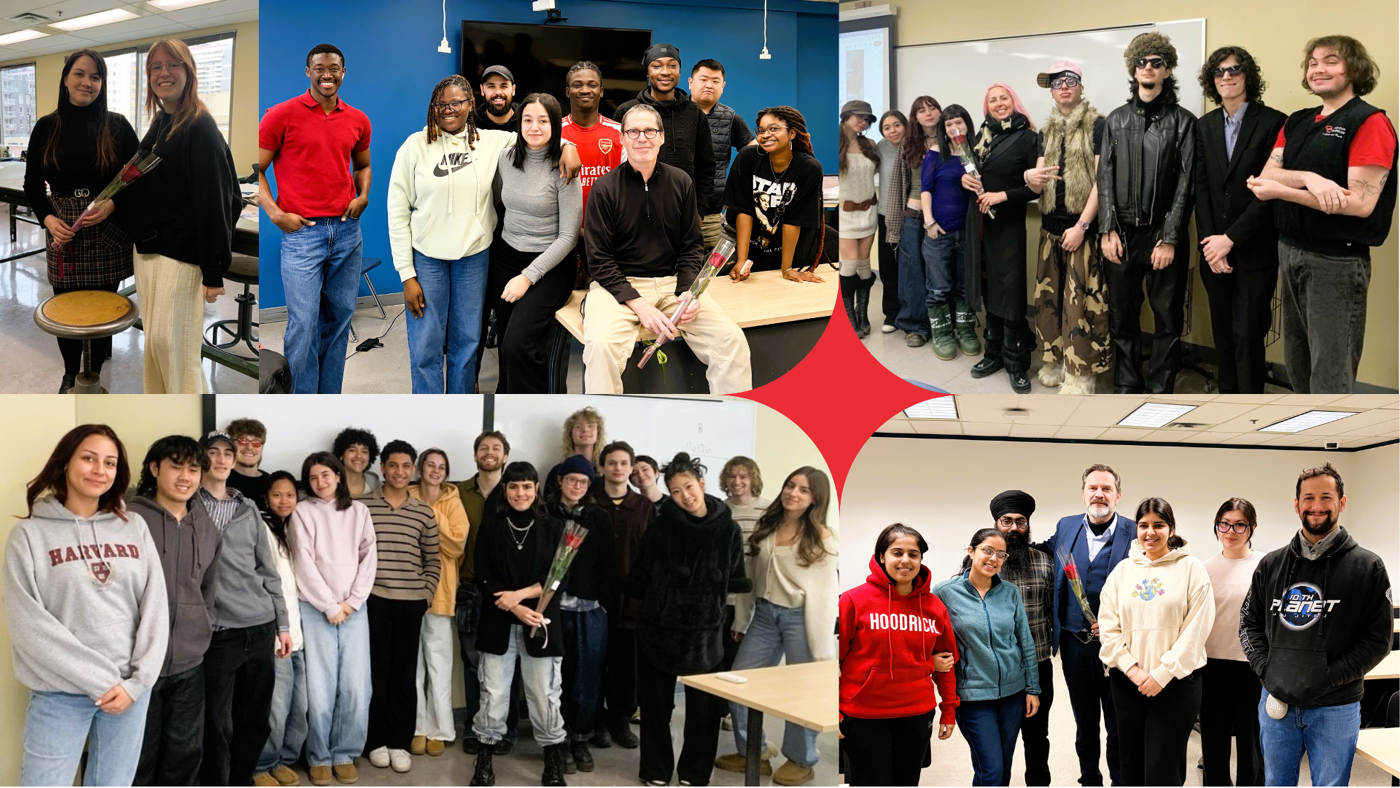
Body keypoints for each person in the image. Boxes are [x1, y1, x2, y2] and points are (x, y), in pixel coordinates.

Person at [387, 76, 581, 394]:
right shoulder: (414, 146)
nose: (449, 109)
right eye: (442, 103)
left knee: (467, 341)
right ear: (433, 107)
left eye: (457, 103)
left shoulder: (492, 143)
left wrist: (568, 145)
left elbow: (535, 137)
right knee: (426, 343)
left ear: (470, 105)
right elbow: (397, 213)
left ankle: (462, 404)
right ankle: (428, 408)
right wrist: (406, 274)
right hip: (428, 258)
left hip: (474, 257)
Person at [4, 425, 168, 788]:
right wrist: (102, 681)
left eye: (110, 463)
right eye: (89, 458)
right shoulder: (29, 536)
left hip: (129, 691)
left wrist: (136, 683)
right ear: (65, 463)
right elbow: (29, 626)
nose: (99, 470)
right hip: (60, 692)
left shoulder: (134, 526)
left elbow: (156, 607)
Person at [1248, 35, 1396, 394]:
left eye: (1330, 61)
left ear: (1354, 69)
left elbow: (1360, 204)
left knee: (1330, 369)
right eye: (1312, 62)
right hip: (1290, 250)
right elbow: (1266, 174)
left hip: (1336, 261)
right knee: (1298, 363)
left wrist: (1284, 191)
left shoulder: (1369, 122)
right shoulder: (1298, 121)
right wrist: (1308, 178)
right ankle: (1306, 437)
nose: (1318, 69)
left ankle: (1332, 445)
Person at [582, 104, 752, 394]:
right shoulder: (604, 189)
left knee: (731, 341)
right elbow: (598, 260)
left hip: (674, 285)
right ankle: (604, 436)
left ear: (661, 137)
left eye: (650, 130)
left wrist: (689, 291)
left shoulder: (681, 182)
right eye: (633, 131)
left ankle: (730, 428)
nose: (642, 138)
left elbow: (691, 247)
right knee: (601, 346)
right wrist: (639, 304)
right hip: (618, 288)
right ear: (622, 138)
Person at [1241, 463, 1393, 786]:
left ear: (1342, 502)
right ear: (1296, 505)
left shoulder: (1368, 567)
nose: (1317, 506)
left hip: (1335, 707)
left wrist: (1330, 677)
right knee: (1276, 783)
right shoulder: (1271, 565)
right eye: (1308, 498)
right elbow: (1248, 623)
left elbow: (1378, 639)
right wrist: (1267, 670)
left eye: (1326, 497)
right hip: (1276, 704)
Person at [627, 453, 751, 787]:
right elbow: (640, 575)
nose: (685, 496)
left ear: (702, 483)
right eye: (676, 491)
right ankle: (655, 770)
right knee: (655, 709)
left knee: (704, 713)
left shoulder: (727, 528)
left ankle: (694, 774)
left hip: (705, 633)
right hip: (658, 629)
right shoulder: (660, 524)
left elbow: (735, 580)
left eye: (689, 486)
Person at [125, 37, 240, 394]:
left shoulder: (199, 127)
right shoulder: (163, 121)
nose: (164, 73)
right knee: (156, 348)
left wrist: (214, 270)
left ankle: (191, 429)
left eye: (173, 65)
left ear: (189, 71)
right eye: (156, 67)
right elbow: (136, 173)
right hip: (150, 251)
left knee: (174, 348)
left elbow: (218, 202)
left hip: (181, 254)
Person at [23, 49, 139, 393]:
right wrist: (46, 218)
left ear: (102, 83)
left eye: (95, 76)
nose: (87, 82)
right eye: (80, 73)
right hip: (63, 228)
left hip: (107, 228)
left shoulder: (117, 125)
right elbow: (32, 185)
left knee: (104, 307)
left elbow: (137, 177)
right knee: (64, 307)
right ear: (66, 78)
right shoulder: (46, 126)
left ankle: (96, 374)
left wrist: (114, 203)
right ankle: (70, 372)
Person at [259, 43, 371, 394]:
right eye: (320, 67)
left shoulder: (357, 119)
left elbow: (363, 165)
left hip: (346, 231)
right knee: (304, 323)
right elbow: (256, 171)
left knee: (339, 320)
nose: (327, 74)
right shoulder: (280, 115)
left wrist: (363, 195)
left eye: (334, 67)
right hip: (303, 234)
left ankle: (329, 396)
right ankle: (303, 399)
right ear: (308, 72)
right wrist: (276, 214)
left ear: (343, 72)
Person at [719, 468, 837, 786]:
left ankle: (801, 759)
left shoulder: (822, 537)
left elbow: (825, 596)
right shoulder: (767, 525)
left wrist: (822, 645)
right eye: (790, 485)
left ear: (815, 499)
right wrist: (742, 620)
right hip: (765, 616)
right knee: (738, 682)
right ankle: (753, 752)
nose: (793, 493)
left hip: (802, 618)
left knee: (803, 692)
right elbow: (751, 577)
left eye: (803, 490)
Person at [1098, 32, 1197, 394]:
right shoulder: (1116, 120)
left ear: (1167, 70)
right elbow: (1104, 176)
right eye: (1142, 62)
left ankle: (1160, 387)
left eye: (1157, 62)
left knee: (1167, 317)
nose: (1148, 68)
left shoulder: (1184, 122)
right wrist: (1107, 230)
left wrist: (1169, 237)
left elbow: (1187, 184)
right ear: (1133, 69)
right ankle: (1126, 381)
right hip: (1121, 235)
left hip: (1163, 236)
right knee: (1123, 317)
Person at [198, 430, 292, 787]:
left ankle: (240, 779)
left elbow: (267, 569)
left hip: (260, 625)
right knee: (216, 724)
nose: (222, 459)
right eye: (213, 452)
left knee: (255, 718)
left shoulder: (247, 508)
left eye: (228, 454)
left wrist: (283, 625)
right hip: (218, 633)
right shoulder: (189, 504)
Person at [1192, 48, 1288, 395]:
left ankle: (1249, 410)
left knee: (1248, 334)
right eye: (1219, 72)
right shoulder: (1204, 126)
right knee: (1222, 333)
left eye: (1234, 70)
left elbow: (1271, 192)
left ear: (1248, 76)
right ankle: (1226, 400)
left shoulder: (1275, 122)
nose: (1226, 77)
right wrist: (1211, 245)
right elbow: (1200, 189)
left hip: (1253, 248)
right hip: (1214, 251)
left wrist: (1230, 239)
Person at [468, 462, 570, 787]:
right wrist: (514, 608)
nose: (520, 493)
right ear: (505, 489)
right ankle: (484, 760)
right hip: (498, 622)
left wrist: (520, 600)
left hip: (541, 622)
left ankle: (553, 759)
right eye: (513, 486)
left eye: (526, 486)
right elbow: (483, 574)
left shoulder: (554, 527)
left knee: (544, 694)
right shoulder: (493, 525)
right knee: (493, 693)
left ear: (536, 488)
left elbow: (558, 578)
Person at [1032, 463, 1135, 787]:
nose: (1099, 494)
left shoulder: (1135, 532)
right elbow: (1044, 551)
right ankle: (1089, 779)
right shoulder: (1067, 526)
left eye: (1106, 488)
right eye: (1093, 488)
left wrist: (1121, 625)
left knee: (1119, 724)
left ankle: (1121, 781)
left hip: (1121, 649)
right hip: (1075, 647)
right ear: (1083, 493)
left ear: (1118, 495)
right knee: (1085, 723)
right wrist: (997, 550)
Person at [1100, 499, 1215, 786]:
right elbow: (1108, 625)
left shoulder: (1192, 569)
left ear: (1171, 529)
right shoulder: (1123, 571)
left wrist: (1161, 674)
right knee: (1131, 766)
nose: (1150, 532)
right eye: (1143, 525)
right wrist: (1132, 669)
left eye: (1158, 525)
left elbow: (1196, 631)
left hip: (1176, 684)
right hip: (1128, 681)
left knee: (1162, 769)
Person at [128, 435, 219, 787]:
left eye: (193, 469)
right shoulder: (129, 520)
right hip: (136, 666)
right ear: (155, 468)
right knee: (139, 756)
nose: (185, 476)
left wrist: (200, 631)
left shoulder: (206, 525)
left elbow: (208, 589)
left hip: (189, 664)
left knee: (184, 755)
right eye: (176, 466)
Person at [838, 524, 958, 787]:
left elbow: (947, 664)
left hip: (916, 714)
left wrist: (948, 710)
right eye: (897, 552)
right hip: (864, 716)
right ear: (882, 556)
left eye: (913, 554)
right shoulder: (853, 600)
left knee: (906, 782)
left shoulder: (934, 607)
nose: (905, 560)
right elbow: (831, 661)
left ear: (920, 560)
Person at [291, 452, 377, 787]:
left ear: (338, 476)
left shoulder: (359, 511)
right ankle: (320, 755)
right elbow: (304, 561)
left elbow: (369, 557)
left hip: (354, 610)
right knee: (320, 688)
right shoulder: (302, 511)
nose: (320, 483)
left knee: (356, 686)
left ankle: (345, 752)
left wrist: (352, 602)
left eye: (325, 475)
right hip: (316, 610)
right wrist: (329, 605)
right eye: (312, 478)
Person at [1025, 62, 1110, 394]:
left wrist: (1082, 225)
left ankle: (1081, 374)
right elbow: (1037, 180)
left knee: (1081, 307)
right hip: (1050, 230)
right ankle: (1054, 359)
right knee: (1049, 303)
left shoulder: (1098, 125)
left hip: (1082, 231)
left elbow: (1103, 182)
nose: (1064, 86)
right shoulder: (1044, 132)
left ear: (1080, 87)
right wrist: (1027, 178)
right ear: (1051, 90)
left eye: (1070, 80)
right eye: (1057, 82)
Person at [491, 93, 584, 392]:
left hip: (550, 264)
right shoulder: (506, 159)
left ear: (555, 124)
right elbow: (497, 201)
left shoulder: (564, 164)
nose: (534, 127)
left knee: (518, 344)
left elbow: (569, 237)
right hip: (507, 256)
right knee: (505, 344)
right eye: (528, 120)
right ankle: (504, 407)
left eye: (543, 121)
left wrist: (528, 277)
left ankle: (542, 407)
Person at [934, 529, 1042, 786]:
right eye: (987, 550)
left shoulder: (1010, 592)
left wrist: (1032, 688)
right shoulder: (944, 593)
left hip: (1013, 694)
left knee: (1002, 767)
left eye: (1000, 554)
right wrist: (932, 660)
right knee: (991, 768)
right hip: (973, 696)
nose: (994, 558)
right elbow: (928, 637)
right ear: (971, 551)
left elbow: (1025, 641)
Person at [361, 440, 440, 774]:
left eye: (406, 466)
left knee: (405, 676)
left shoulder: (423, 512)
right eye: (393, 465)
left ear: (414, 470)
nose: (399, 472)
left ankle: (399, 741)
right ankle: (375, 740)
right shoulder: (363, 506)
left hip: (411, 604)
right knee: (376, 673)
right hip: (375, 600)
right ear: (382, 467)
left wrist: (426, 595)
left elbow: (432, 560)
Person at [963, 83, 1042, 393]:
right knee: (987, 288)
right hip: (979, 227)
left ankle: (1017, 362)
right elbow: (972, 175)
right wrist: (964, 178)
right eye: (993, 100)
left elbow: (1036, 188)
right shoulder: (980, 137)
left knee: (1009, 293)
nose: (999, 104)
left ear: (1014, 102)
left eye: (1004, 98)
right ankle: (993, 353)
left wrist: (1001, 197)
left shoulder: (1029, 138)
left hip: (1008, 225)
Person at [549, 456, 616, 774]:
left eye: (583, 482)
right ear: (560, 480)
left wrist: (602, 601)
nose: (576, 486)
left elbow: (609, 562)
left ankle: (580, 739)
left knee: (586, 679)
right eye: (571, 479)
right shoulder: (545, 514)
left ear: (589, 486)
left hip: (590, 611)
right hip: (553, 609)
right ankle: (557, 741)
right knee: (554, 679)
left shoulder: (598, 517)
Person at [455, 431, 519, 756]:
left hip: (505, 593)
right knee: (472, 664)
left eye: (496, 448)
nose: (489, 453)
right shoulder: (458, 493)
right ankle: (473, 728)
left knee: (508, 664)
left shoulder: (517, 492)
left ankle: (506, 730)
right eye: (483, 448)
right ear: (475, 454)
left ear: (505, 456)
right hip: (468, 589)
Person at [989, 490, 1056, 786]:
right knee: (999, 743)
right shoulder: (984, 564)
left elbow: (1057, 609)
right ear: (995, 524)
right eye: (1006, 521)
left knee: (1037, 737)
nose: (1013, 528)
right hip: (998, 669)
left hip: (1039, 667)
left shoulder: (1045, 562)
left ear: (1028, 526)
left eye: (1020, 522)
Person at [1198, 497, 1266, 787]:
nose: (1231, 530)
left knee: (1252, 743)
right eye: (1225, 523)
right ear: (1216, 526)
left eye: (1240, 524)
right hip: (1211, 664)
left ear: (1251, 528)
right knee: (1214, 741)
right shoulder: (1202, 568)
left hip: (1252, 665)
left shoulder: (1266, 565)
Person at [591, 441, 653, 749]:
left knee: (624, 667)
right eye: (612, 462)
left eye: (624, 463)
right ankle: (596, 723)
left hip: (632, 603)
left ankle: (620, 722)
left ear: (631, 468)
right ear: (602, 466)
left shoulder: (644, 507)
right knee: (593, 665)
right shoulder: (589, 500)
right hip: (594, 599)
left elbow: (653, 554)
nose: (617, 468)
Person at [408, 448, 469, 758]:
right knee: (411, 667)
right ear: (419, 468)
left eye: (440, 466)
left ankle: (441, 729)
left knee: (439, 664)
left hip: (442, 594)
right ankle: (417, 728)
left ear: (446, 472)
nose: (434, 470)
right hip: (406, 592)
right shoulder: (404, 494)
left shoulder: (453, 502)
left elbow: (456, 545)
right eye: (429, 464)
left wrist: (428, 513)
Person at [254, 472, 310, 788]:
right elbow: (266, 584)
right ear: (266, 498)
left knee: (299, 705)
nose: (284, 500)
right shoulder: (262, 529)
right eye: (277, 495)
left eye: (290, 494)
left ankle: (285, 759)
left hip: (299, 634)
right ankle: (264, 763)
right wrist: (278, 630)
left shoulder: (292, 528)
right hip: (278, 634)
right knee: (276, 705)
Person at [725, 106, 827, 282]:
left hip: (787, 245)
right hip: (748, 242)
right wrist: (742, 260)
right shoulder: (748, 157)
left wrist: (786, 268)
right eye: (761, 130)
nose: (765, 135)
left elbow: (794, 220)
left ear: (792, 134)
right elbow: (744, 210)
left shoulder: (809, 168)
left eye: (774, 129)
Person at [614, 43, 715, 217]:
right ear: (648, 73)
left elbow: (705, 166)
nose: (665, 72)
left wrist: (699, 211)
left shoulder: (694, 113)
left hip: (683, 211)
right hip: (634, 211)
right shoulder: (626, 112)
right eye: (657, 66)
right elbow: (616, 164)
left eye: (672, 65)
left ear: (680, 72)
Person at [921, 104, 979, 360]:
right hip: (940, 232)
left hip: (967, 232)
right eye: (948, 124)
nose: (954, 127)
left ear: (967, 123)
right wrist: (929, 222)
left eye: (958, 121)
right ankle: (942, 334)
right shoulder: (935, 154)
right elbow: (925, 190)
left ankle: (965, 330)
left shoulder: (974, 153)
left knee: (965, 286)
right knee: (939, 287)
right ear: (943, 129)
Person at [561, 61, 624, 287]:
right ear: (568, 91)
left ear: (601, 91)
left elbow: (628, 190)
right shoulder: (553, 134)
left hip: (609, 239)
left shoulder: (620, 133)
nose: (585, 89)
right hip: (563, 238)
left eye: (592, 85)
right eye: (577, 85)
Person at [690, 58, 755, 251]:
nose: (709, 85)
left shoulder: (730, 117)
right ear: (690, 82)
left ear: (723, 86)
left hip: (712, 213)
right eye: (703, 79)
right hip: (675, 211)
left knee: (712, 269)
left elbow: (753, 150)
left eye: (715, 81)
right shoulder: (675, 113)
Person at [719, 456, 769, 675]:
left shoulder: (768, 510)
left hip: (753, 598)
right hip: (723, 598)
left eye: (743, 476)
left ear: (753, 479)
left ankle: (736, 709)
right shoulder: (719, 510)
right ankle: (720, 709)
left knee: (743, 662)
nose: (736, 481)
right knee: (721, 659)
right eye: (731, 476)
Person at [838, 100, 879, 337]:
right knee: (850, 264)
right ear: (846, 116)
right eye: (859, 117)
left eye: (867, 119)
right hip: (846, 215)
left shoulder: (870, 144)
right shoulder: (836, 144)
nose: (863, 122)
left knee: (864, 265)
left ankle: (862, 314)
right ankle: (849, 316)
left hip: (869, 213)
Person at [874, 109, 909, 334]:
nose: (892, 131)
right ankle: (891, 314)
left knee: (912, 269)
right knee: (888, 268)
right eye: (887, 127)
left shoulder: (917, 146)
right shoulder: (880, 148)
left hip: (912, 216)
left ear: (905, 125)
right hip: (886, 215)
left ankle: (913, 313)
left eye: (897, 125)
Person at [226, 417, 271, 509]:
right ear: (231, 445)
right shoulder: (222, 480)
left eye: (256, 442)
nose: (250, 447)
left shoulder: (271, 482)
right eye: (243, 440)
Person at [334, 426, 380, 498]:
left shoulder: (375, 484)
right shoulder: (329, 483)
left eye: (364, 451)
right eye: (352, 450)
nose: (359, 456)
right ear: (341, 455)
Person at [476, 65, 520, 133]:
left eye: (504, 86)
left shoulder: (526, 122)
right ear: (482, 90)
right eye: (491, 86)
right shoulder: (470, 124)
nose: (498, 92)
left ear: (513, 89)